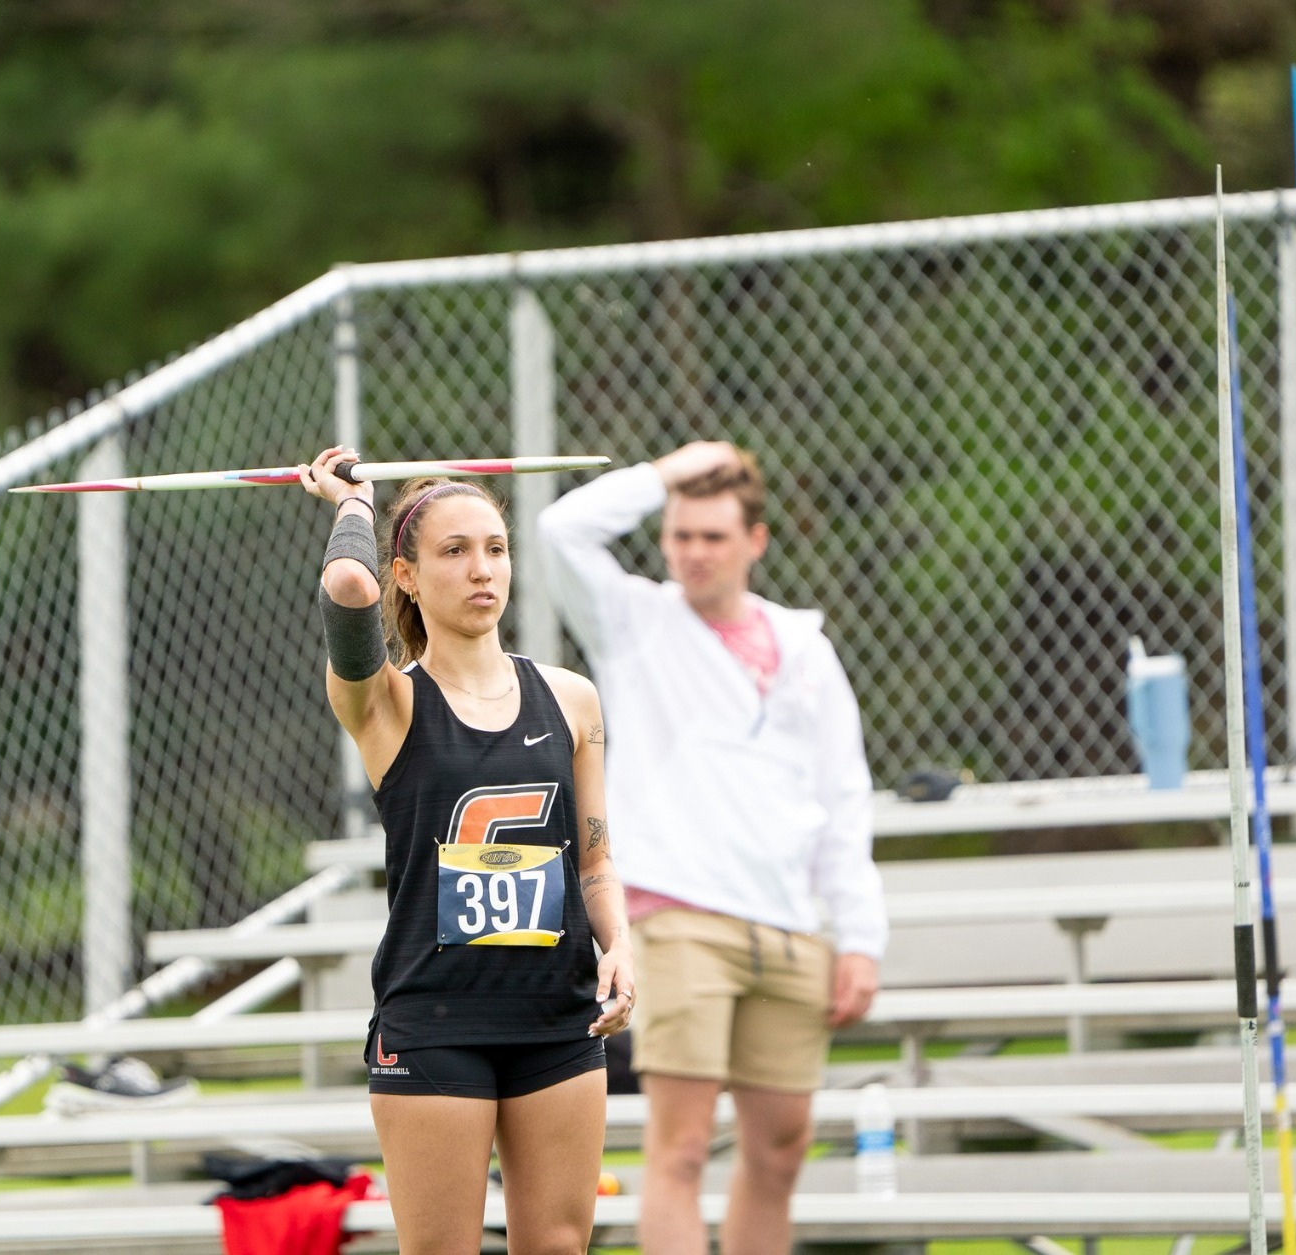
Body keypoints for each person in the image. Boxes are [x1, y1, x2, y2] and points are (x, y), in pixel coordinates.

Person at [537, 441, 886, 1255]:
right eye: (679, 534)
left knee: (779, 1149)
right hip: (680, 917)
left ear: (756, 541)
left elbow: (843, 797)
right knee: (683, 1148)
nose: (693, 552)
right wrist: (666, 472)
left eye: (713, 536)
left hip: (793, 925)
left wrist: (860, 936)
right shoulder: (635, 621)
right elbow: (559, 529)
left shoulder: (807, 648)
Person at [297, 445, 634, 1254]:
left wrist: (620, 942)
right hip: (435, 1021)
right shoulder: (388, 702)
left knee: (558, 1243)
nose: (483, 569)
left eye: (495, 547)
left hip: (557, 1019)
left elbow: (593, 860)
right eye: (454, 551)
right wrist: (353, 506)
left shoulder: (572, 698)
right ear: (406, 575)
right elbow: (348, 587)